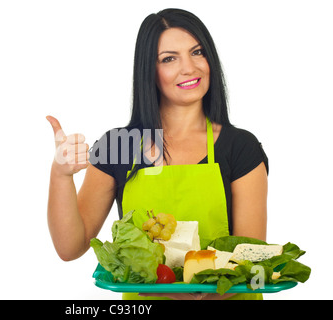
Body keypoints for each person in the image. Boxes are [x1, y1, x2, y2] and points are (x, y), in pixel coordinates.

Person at [46, 8, 268, 300]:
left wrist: (199, 294)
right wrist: (60, 175)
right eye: (169, 58)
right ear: (149, 71)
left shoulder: (241, 147)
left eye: (197, 52)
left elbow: (249, 259)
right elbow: (69, 247)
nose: (189, 68)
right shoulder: (119, 145)